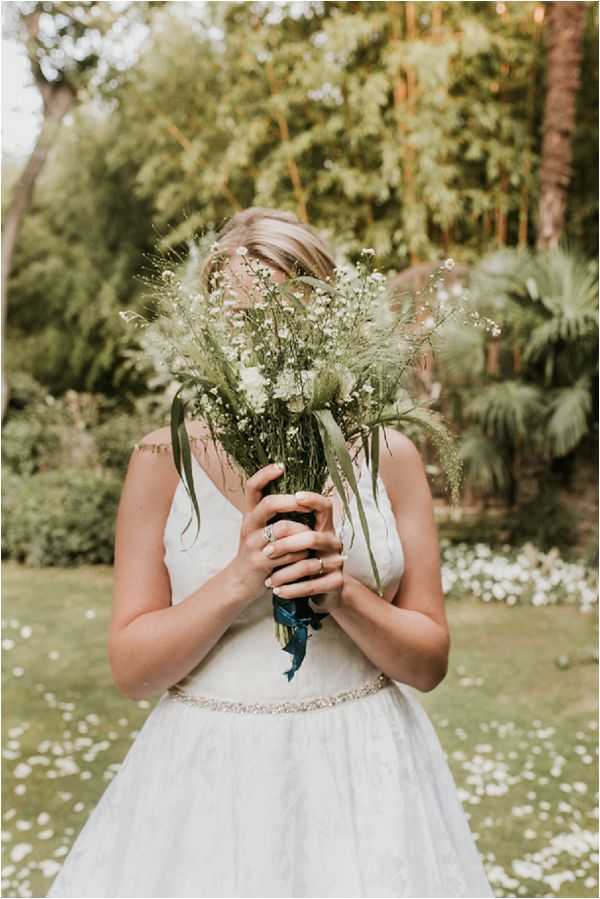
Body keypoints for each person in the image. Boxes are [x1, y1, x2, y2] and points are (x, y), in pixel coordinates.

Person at [47, 207, 495, 898]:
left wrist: (340, 590)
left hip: (364, 773)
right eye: (236, 318)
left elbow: (429, 661)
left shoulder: (394, 456)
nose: (257, 338)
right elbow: (133, 671)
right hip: (209, 782)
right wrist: (239, 578)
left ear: (325, 315)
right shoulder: (160, 460)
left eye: (282, 313)